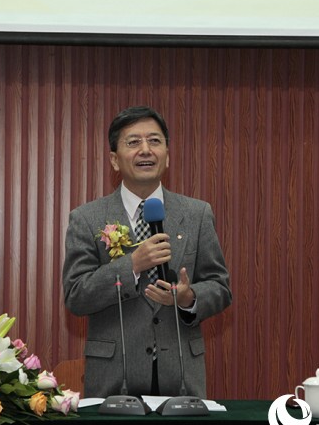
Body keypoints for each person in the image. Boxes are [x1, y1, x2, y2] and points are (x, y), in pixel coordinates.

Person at [62, 105, 232, 398]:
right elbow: (76, 296)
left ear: (167, 155)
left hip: (181, 376)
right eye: (133, 142)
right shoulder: (87, 218)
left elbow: (220, 287)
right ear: (114, 160)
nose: (145, 150)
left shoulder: (197, 214)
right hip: (113, 378)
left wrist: (189, 298)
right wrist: (131, 265)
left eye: (154, 141)